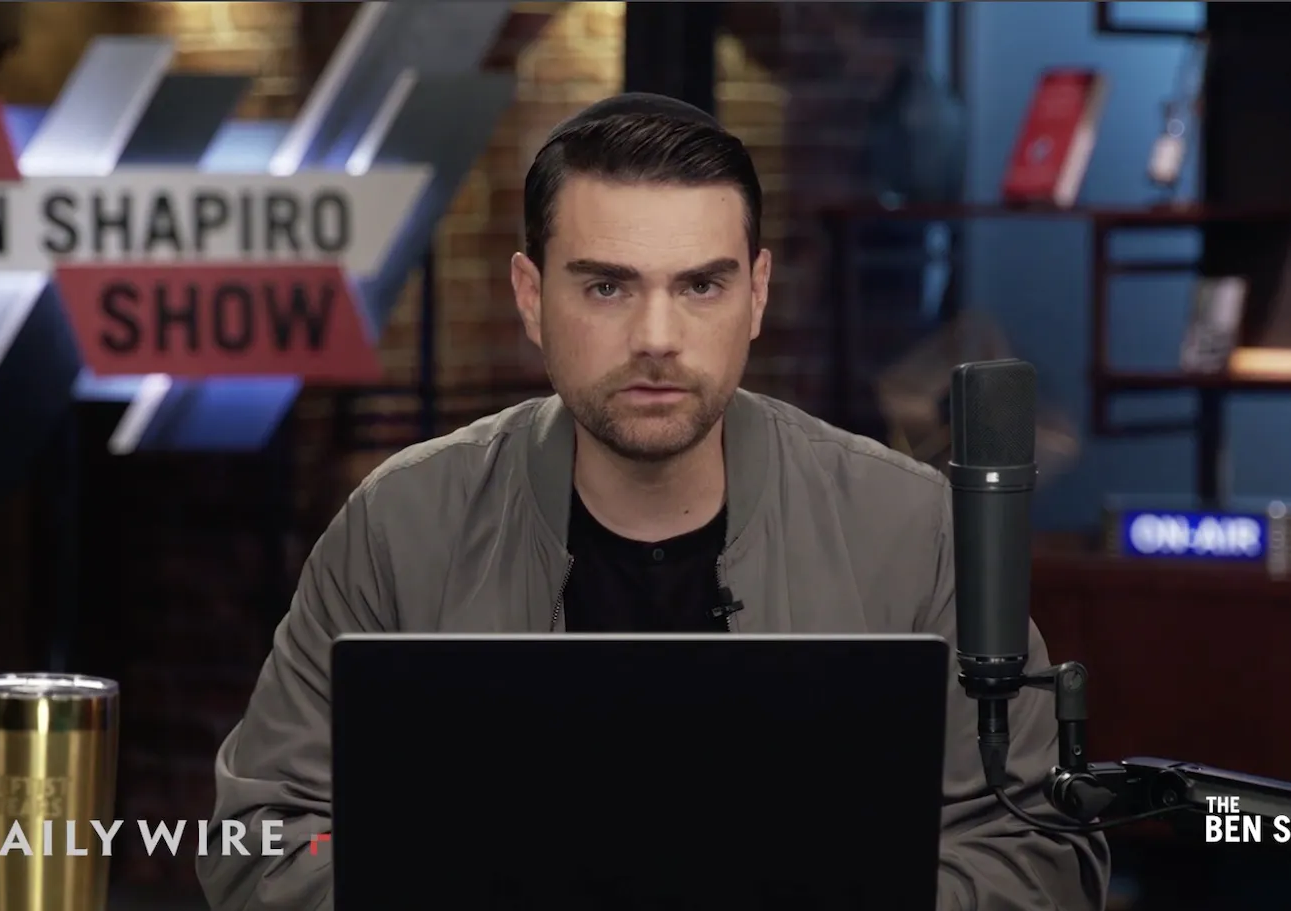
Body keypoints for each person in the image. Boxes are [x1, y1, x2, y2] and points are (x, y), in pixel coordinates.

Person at [198, 93, 1110, 911]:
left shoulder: (909, 529)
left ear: (756, 295)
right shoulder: (402, 524)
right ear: (530, 297)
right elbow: (260, 837)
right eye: (607, 285)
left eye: (701, 285)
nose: (657, 338)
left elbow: (1038, 850)